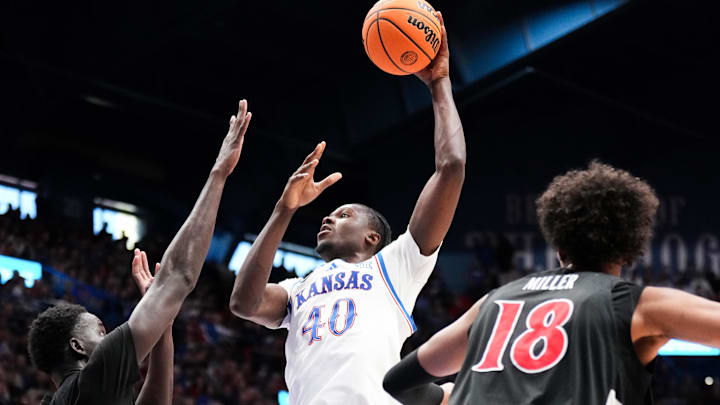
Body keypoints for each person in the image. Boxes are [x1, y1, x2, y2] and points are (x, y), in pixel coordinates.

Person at [229, 12, 465, 405]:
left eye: (345, 214)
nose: (328, 216)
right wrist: (282, 210)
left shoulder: (396, 266)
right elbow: (243, 303)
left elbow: (451, 167)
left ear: (373, 238)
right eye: (331, 213)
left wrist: (439, 82)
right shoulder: (298, 289)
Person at [383, 161, 720, 405]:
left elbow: (399, 381)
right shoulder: (638, 304)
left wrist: (453, 395)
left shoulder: (494, 302)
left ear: (558, 247)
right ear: (630, 252)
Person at [27, 99, 253, 405]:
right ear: (78, 347)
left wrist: (164, 320)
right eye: (102, 331)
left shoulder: (72, 399)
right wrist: (219, 174)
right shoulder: (92, 379)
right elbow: (178, 276)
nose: (108, 339)